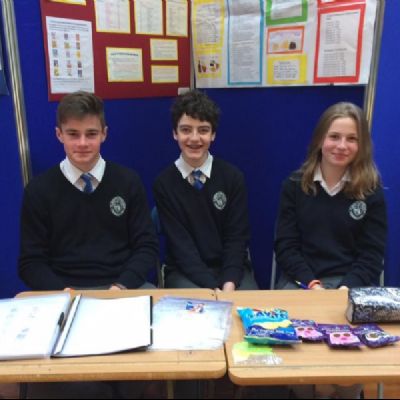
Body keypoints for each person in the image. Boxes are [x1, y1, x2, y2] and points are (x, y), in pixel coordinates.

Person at [274, 102, 387, 399]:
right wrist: (313, 285)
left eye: (351, 139)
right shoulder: (295, 186)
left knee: (348, 374)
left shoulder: (371, 191)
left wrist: (345, 289)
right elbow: (286, 246)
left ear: (362, 145)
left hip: (351, 286)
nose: (341, 145)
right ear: (320, 140)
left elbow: (371, 255)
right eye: (334, 136)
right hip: (302, 283)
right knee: (302, 365)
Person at [19, 90, 158, 291]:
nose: (82, 143)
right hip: (64, 290)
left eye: (91, 134)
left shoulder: (128, 182)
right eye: (73, 134)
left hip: (121, 287)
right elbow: (30, 262)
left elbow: (146, 246)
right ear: (59, 135)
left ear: (104, 134)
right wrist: (63, 292)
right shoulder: (38, 190)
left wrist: (122, 286)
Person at [153, 89, 258, 291]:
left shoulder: (232, 177)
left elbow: (236, 238)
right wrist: (211, 288)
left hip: (231, 271)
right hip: (185, 272)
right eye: (186, 130)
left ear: (213, 134)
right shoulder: (164, 184)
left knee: (247, 307)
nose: (194, 138)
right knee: (197, 308)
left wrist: (228, 283)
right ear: (175, 133)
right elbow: (181, 247)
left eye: (203, 130)